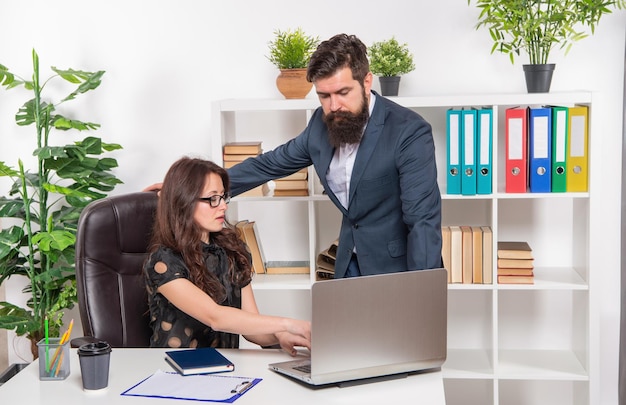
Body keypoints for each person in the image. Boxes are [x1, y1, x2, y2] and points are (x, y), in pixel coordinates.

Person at [144, 33, 442, 278]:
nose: (333, 105)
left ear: (367, 82)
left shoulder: (409, 132)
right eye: (324, 96)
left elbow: (422, 221)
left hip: (399, 267)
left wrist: (422, 290)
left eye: (342, 93)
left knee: (399, 350)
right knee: (346, 347)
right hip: (348, 261)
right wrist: (193, 190)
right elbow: (269, 164)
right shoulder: (319, 125)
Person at [144, 156, 311, 355]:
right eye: (212, 199)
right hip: (176, 370)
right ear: (184, 201)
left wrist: (280, 336)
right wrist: (290, 324)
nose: (223, 206)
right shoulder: (164, 262)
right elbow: (216, 317)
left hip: (225, 368)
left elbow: (251, 327)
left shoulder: (233, 250)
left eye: (223, 197)